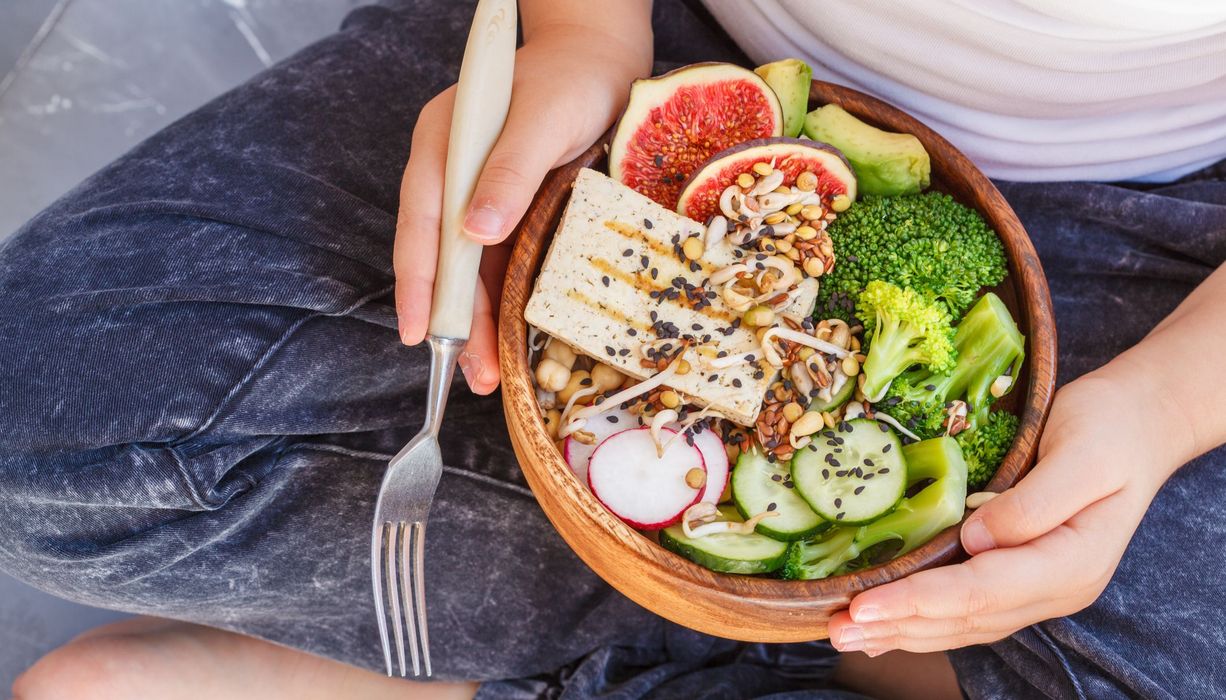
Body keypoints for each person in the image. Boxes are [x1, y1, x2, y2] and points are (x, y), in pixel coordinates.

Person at [4, 0, 1225, 698]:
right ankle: (809, 642)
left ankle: (566, 644)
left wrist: (1163, 408)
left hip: (1158, 227)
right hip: (673, 42)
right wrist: (584, 32)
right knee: (41, 422)